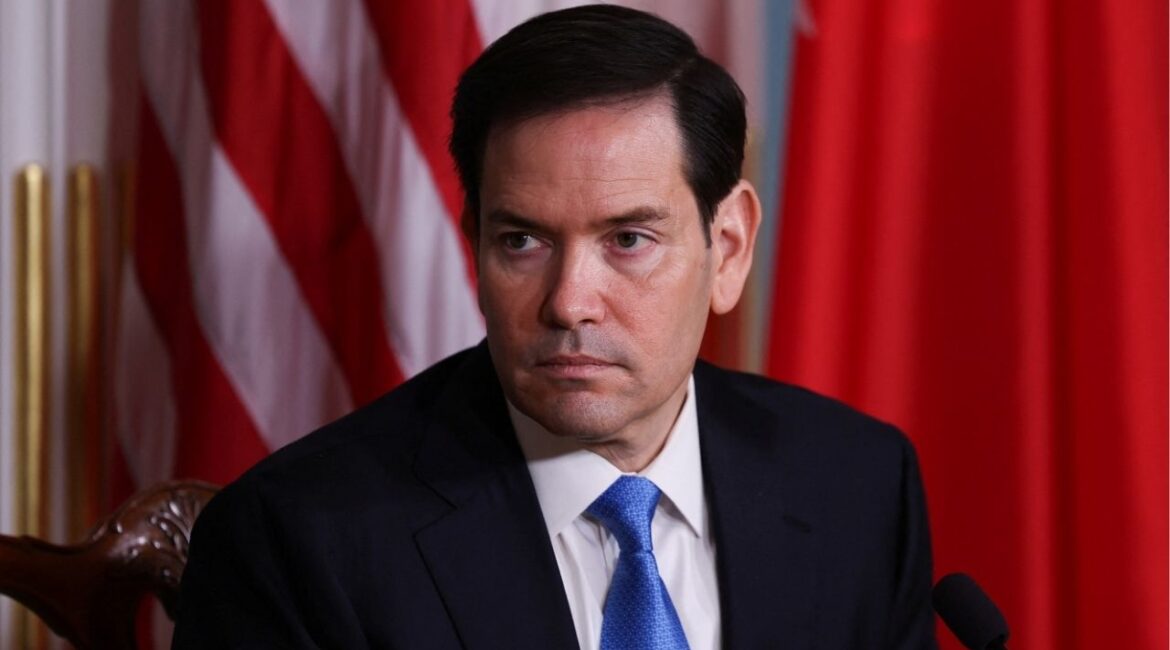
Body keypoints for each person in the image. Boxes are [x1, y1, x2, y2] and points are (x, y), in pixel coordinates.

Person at [172, 5, 937, 649]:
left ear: (728, 247)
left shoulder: (860, 489)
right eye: (522, 242)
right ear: (473, 243)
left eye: (628, 241)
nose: (569, 302)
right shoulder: (297, 542)